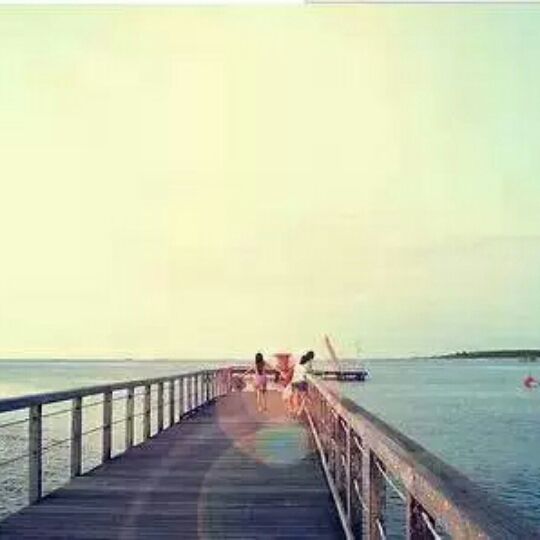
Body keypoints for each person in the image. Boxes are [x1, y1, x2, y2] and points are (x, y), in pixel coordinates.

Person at [291, 351, 315, 417]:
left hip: (294, 381)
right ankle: (299, 412)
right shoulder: (309, 363)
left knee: (295, 397)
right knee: (304, 397)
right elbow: (310, 371)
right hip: (301, 381)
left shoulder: (298, 364)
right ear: (311, 357)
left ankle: (295, 410)